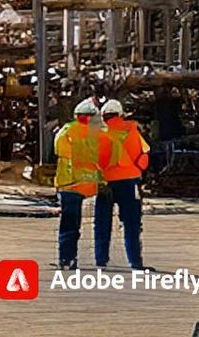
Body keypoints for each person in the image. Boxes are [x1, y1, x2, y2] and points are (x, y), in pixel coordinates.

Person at [93, 97, 149, 271]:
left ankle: (101, 261)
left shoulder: (99, 134)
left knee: (102, 222)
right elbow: (144, 158)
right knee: (131, 224)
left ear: (103, 116)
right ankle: (135, 263)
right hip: (129, 182)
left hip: (105, 182)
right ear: (121, 115)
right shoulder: (133, 131)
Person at [52, 99, 103, 271]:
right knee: (75, 223)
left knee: (69, 223)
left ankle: (66, 258)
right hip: (83, 184)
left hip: (68, 184)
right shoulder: (94, 133)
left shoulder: (65, 131)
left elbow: (58, 150)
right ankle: (69, 258)